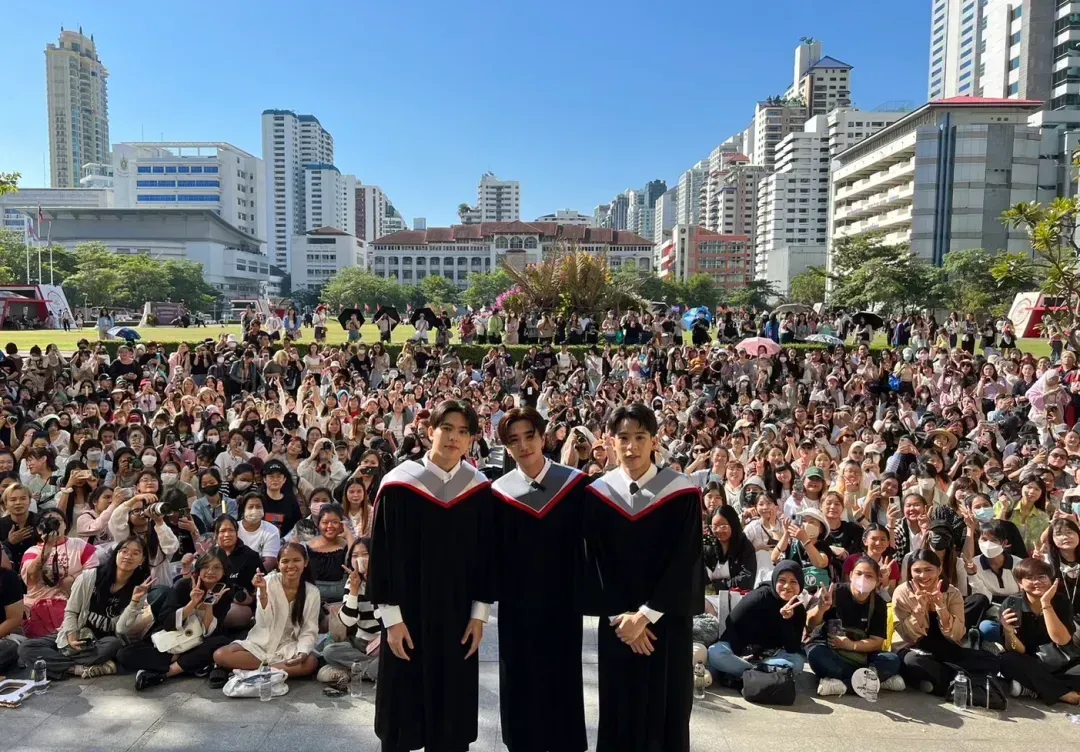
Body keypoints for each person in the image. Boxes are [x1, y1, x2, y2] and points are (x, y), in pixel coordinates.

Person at [367, 399, 495, 752]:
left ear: (471, 440)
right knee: (402, 708)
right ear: (429, 432)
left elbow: (486, 557)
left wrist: (479, 615)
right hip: (406, 615)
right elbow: (382, 556)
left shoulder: (478, 489)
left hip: (457, 617)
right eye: (447, 429)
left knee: (451, 712)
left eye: (463, 432)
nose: (454, 438)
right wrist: (391, 620)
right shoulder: (398, 486)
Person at [584, 403, 702, 752]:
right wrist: (622, 619)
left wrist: (645, 616)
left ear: (655, 441)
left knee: (667, 714)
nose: (631, 447)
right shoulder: (597, 495)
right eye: (623, 438)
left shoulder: (681, 492)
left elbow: (686, 560)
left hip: (665, 626)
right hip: (618, 628)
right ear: (609, 441)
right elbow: (594, 562)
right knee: (620, 713)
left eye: (640, 437)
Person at [491, 406, 589, 752]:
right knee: (519, 683)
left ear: (543, 437)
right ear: (506, 447)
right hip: (517, 606)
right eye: (513, 440)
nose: (523, 446)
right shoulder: (499, 493)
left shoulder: (575, 485)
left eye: (529, 436)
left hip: (563, 603)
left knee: (562, 682)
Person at [18, 537, 154, 679]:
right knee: (26, 647)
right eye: (124, 551)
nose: (128, 556)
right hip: (76, 634)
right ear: (117, 554)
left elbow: (120, 629)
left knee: (114, 645)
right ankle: (77, 669)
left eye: (135, 553)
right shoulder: (90, 577)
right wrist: (71, 635)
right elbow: (71, 610)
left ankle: (53, 666)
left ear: (142, 560)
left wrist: (134, 602)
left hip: (101, 644)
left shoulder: (138, 590)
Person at [117, 548, 236, 690]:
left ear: (224, 570)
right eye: (206, 566)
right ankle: (186, 664)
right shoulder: (183, 585)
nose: (210, 571)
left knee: (221, 642)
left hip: (198, 643)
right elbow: (167, 623)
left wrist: (209, 604)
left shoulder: (225, 591)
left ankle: (167, 673)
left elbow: (210, 632)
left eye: (217, 567)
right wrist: (192, 604)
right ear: (199, 568)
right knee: (124, 654)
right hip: (171, 642)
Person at [893, 550, 1000, 695]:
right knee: (912, 662)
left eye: (928, 570)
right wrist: (918, 609)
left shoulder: (952, 593)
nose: (923, 576)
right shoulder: (902, 593)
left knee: (992, 661)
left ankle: (941, 681)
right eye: (917, 571)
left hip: (946, 648)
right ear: (910, 572)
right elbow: (907, 635)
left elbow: (957, 634)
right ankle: (959, 679)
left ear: (939, 570)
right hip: (915, 649)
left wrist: (941, 608)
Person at [212, 542, 320, 679]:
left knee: (310, 662)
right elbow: (264, 622)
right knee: (220, 655)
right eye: (285, 561)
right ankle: (273, 671)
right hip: (261, 645)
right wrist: (262, 592)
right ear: (279, 564)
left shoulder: (312, 592)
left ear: (305, 562)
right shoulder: (268, 581)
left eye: (296, 560)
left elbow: (309, 629)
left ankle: (254, 674)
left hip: (288, 647)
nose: (291, 566)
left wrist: (302, 652)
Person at [806, 557, 905, 699]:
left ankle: (844, 685)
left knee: (892, 660)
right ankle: (872, 681)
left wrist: (851, 645)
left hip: (859, 654)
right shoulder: (833, 592)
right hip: (830, 651)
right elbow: (810, 624)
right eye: (859, 574)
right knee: (816, 655)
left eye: (869, 576)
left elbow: (877, 641)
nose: (863, 578)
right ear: (851, 575)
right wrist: (821, 609)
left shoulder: (879, 603)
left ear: (877, 581)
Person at [707, 561, 807, 683]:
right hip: (742, 652)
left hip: (771, 657)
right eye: (782, 580)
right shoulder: (760, 596)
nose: (787, 586)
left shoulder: (799, 610)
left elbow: (792, 648)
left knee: (797, 663)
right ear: (775, 580)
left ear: (800, 585)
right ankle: (762, 674)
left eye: (793, 582)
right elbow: (732, 622)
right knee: (715, 654)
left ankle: (750, 673)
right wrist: (742, 651)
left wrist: (787, 619)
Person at [997, 557, 1080, 705]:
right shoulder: (1012, 604)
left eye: (1041, 576)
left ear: (1050, 579)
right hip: (1030, 662)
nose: (1037, 582)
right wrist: (1008, 632)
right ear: (1020, 584)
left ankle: (1032, 688)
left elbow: (1062, 640)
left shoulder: (1060, 601)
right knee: (1006, 660)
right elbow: (1018, 650)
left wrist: (1046, 604)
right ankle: (1065, 694)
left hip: (1063, 661)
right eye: (1029, 578)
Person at [318, 538, 381, 686]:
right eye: (355, 556)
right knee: (329, 651)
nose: (360, 559)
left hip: (384, 643)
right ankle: (374, 670)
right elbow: (348, 621)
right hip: (361, 643)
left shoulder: (386, 580)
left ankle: (353, 671)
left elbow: (385, 618)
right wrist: (354, 590)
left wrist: (371, 582)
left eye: (365, 554)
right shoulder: (351, 582)